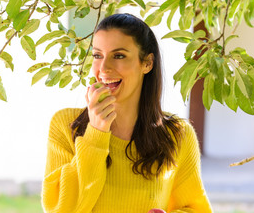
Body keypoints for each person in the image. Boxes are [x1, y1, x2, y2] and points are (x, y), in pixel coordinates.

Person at [41, 13, 212, 213]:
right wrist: (96, 131)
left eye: (119, 56)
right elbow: (61, 210)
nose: (103, 68)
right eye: (97, 55)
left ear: (147, 63)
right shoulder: (65, 125)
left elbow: (196, 209)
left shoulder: (178, 135)